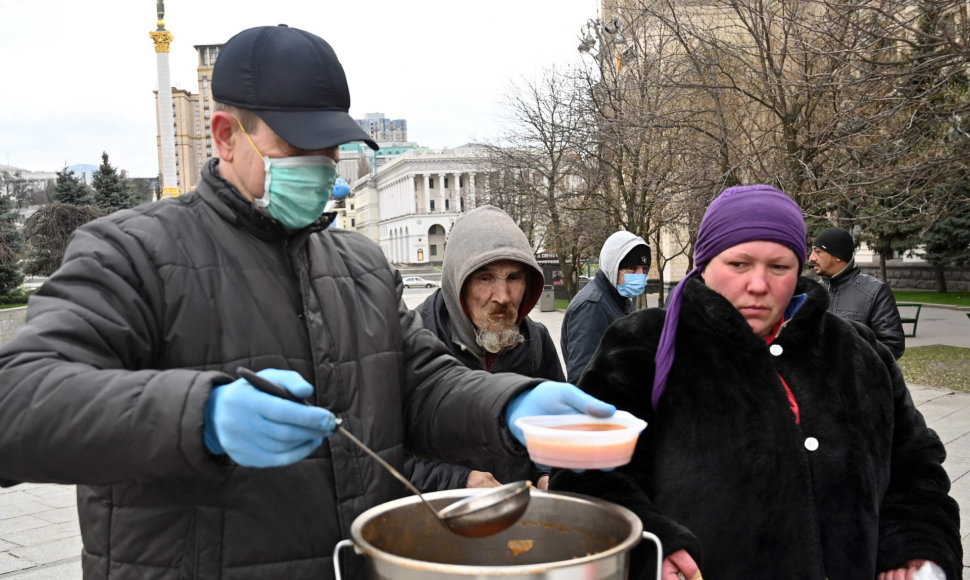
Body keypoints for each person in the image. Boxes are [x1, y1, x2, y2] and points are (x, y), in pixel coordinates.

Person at [0, 25, 615, 580]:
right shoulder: (132, 253)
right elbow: (19, 402)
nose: (321, 168)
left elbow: (420, 384)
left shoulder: (359, 267)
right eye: (299, 147)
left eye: (330, 149)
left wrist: (513, 404)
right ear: (224, 136)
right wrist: (199, 415)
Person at [552, 185, 961, 579]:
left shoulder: (857, 352)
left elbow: (916, 468)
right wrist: (651, 547)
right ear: (705, 263)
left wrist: (917, 548)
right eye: (739, 264)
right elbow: (582, 469)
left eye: (779, 267)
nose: (758, 285)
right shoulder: (644, 345)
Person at [405, 205, 564, 492]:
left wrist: (547, 472)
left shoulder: (536, 342)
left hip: (523, 520)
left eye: (514, 278)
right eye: (485, 278)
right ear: (457, 282)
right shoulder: (413, 343)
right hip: (442, 524)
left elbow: (557, 429)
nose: (502, 297)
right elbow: (383, 458)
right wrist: (457, 481)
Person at [561, 231, 651, 383]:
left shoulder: (622, 300)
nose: (640, 275)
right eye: (632, 269)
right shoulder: (591, 307)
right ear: (613, 266)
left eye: (644, 269)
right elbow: (582, 379)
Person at [810, 226, 906, 359]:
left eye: (818, 252)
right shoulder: (813, 292)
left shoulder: (875, 291)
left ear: (837, 256)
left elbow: (892, 344)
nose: (811, 258)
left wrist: (852, 368)